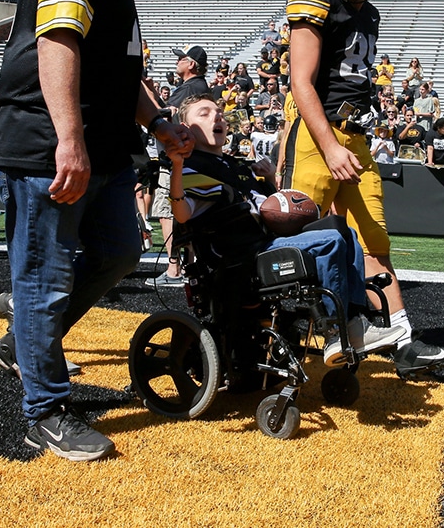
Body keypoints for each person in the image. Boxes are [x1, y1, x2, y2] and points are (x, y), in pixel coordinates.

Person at [0, 0, 193, 462]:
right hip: (51, 141)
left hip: (101, 142)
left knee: (120, 251)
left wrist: (155, 120)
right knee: (44, 276)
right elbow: (58, 39)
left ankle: (21, 345)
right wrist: (67, 138)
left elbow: (113, 66)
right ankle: (45, 410)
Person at [284, 0, 444, 378]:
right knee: (298, 236)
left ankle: (402, 340)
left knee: (375, 239)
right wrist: (328, 146)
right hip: (315, 134)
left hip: (356, 139)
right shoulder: (316, 0)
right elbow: (300, 82)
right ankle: (284, 341)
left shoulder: (371, 16)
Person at [170, 95, 404, 365]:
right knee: (330, 241)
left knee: (345, 230)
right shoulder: (191, 167)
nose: (217, 116)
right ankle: (334, 332)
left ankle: (352, 323)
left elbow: (272, 209)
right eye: (204, 113)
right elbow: (182, 214)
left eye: (219, 112)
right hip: (237, 257)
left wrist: (269, 179)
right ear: (186, 129)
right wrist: (176, 166)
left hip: (263, 244)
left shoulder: (238, 167)